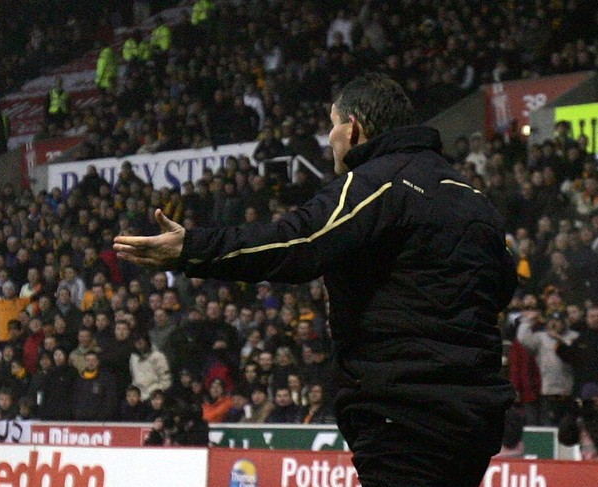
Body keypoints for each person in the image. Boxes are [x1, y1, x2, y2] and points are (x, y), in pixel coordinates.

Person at [114, 73, 517, 486]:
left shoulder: (375, 184)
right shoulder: (472, 198)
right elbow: (502, 285)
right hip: (475, 417)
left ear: (353, 128)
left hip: (405, 411)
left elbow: (297, 242)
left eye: (332, 124)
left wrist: (191, 249)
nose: (329, 139)